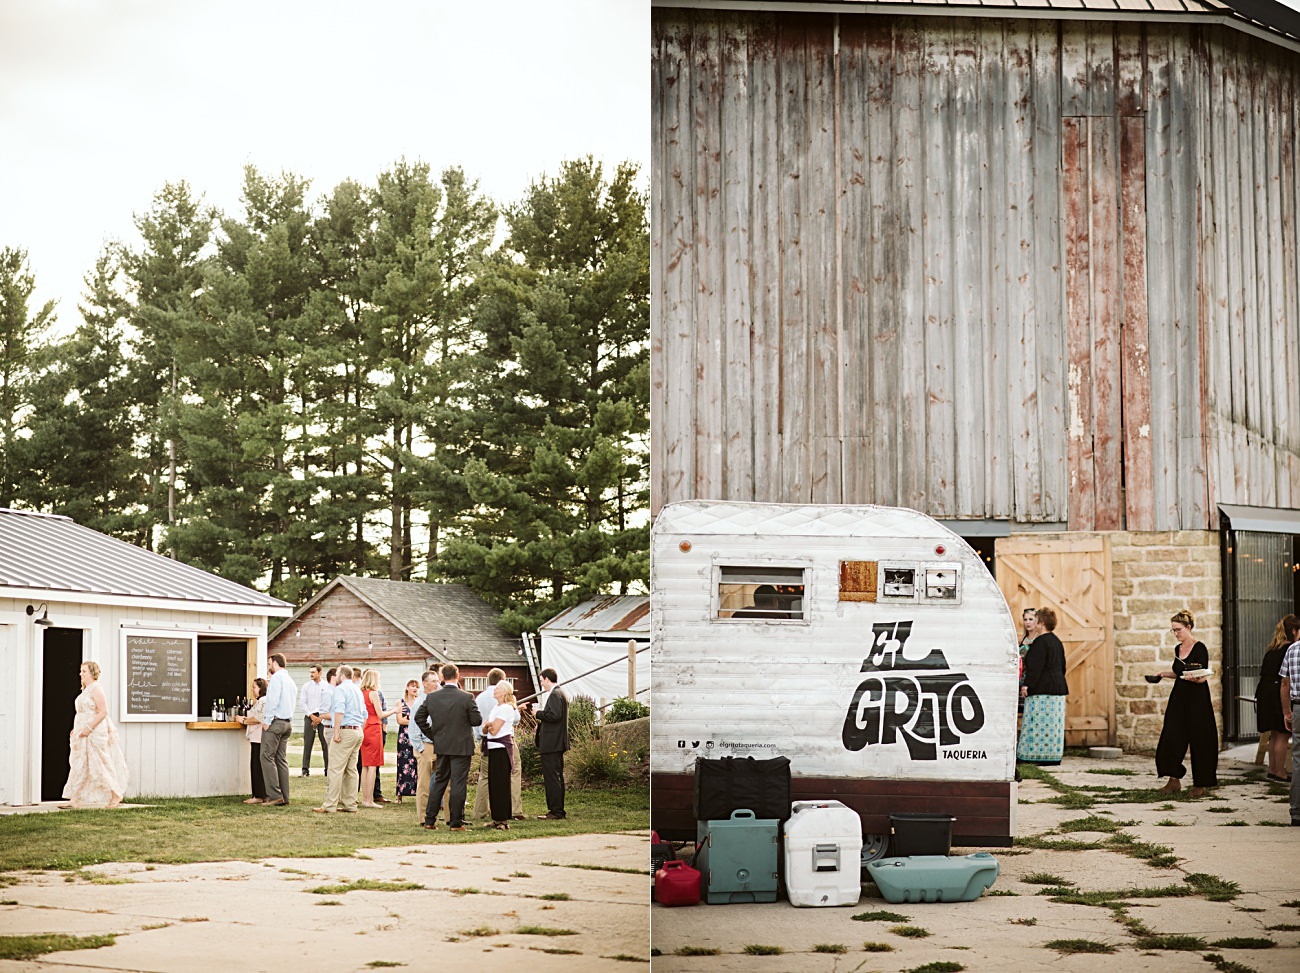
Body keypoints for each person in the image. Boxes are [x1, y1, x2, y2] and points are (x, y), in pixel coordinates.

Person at [1154, 609, 1218, 797]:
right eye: (1173, 630)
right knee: (1171, 737)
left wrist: (1197, 678)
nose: (1175, 634)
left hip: (1198, 699)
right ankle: (1173, 780)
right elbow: (1180, 673)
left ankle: (1200, 785)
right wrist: (1164, 674)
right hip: (1179, 698)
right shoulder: (1178, 649)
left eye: (1178, 630)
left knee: (1201, 740)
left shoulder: (1200, 648)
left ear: (1188, 627)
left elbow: (1203, 675)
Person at [414, 663, 482, 831]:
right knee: (458, 783)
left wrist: (434, 735)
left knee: (439, 781)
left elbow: (419, 718)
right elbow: (476, 720)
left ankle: (430, 820)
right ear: (457, 676)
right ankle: (455, 822)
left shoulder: (432, 698)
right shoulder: (466, 697)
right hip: (461, 746)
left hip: (442, 745)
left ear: (442, 677)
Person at [61, 661, 129, 808]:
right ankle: (74, 799)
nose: (81, 674)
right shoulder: (86, 690)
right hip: (82, 732)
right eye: (81, 671)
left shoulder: (96, 689)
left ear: (92, 673)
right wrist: (76, 728)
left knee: (100, 762)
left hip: (94, 732)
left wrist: (89, 728)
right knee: (80, 764)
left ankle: (116, 794)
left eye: (84, 671)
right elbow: (82, 713)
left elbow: (103, 711)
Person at [1017, 608, 1069, 766]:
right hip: (1058, 688)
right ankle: (1052, 756)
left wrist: (1027, 685)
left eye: (1036, 620)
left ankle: (1032, 755)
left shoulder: (1040, 643)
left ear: (1042, 623)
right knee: (1053, 726)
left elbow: (1035, 668)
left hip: (1042, 690)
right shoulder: (1056, 641)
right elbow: (1062, 666)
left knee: (1036, 723)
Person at [313, 665, 365, 814]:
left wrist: (336, 732)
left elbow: (339, 711)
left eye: (336, 674)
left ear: (342, 676)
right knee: (351, 769)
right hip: (357, 730)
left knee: (335, 768)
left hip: (345, 730)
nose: (335, 677)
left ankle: (330, 805)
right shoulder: (357, 689)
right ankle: (350, 804)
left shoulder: (340, 690)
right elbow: (364, 713)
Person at [473, 668, 523, 823]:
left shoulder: (481, 698)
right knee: (508, 775)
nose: (495, 690)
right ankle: (513, 810)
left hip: (492, 743)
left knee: (487, 778)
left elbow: (484, 726)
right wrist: (489, 725)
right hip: (497, 744)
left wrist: (485, 729)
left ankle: (482, 812)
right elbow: (515, 720)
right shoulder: (501, 706)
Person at [1258, 616, 1298, 783]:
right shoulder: (1290, 649)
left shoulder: (1273, 647)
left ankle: (1272, 770)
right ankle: (1280, 772)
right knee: (1282, 734)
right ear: (1294, 631)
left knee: (1274, 734)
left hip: (1265, 691)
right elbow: (1286, 680)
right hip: (1277, 693)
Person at [409, 670, 448, 824]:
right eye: (433, 681)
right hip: (426, 746)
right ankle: (423, 817)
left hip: (441, 745)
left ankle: (450, 816)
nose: (436, 684)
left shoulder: (439, 700)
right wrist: (420, 748)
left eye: (437, 680)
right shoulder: (419, 702)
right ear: (425, 683)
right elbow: (413, 728)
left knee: (446, 782)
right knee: (424, 784)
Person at [360, 669, 401, 809]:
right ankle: (369, 800)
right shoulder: (373, 693)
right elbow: (380, 714)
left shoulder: (361, 693)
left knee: (365, 765)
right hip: (374, 729)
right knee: (372, 765)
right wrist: (394, 710)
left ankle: (365, 798)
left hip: (364, 728)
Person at [259, 653, 296, 806]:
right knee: (281, 759)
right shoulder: (290, 681)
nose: (269, 666)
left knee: (266, 756)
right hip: (287, 723)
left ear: (275, 663)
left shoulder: (276, 678)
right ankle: (284, 796)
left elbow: (272, 701)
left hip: (275, 722)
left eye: (269, 663)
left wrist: (267, 721)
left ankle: (275, 795)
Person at [535, 667, 571, 820]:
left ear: (547, 679)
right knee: (556, 777)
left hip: (552, 743)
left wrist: (538, 714)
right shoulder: (559, 693)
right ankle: (557, 810)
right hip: (556, 743)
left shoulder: (555, 694)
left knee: (552, 778)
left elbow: (555, 715)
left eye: (542, 680)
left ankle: (556, 811)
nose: (541, 684)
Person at [484, 679, 519, 830]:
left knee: (501, 784)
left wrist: (488, 725)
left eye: (497, 688)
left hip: (501, 749)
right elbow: (485, 729)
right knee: (493, 784)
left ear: (504, 692)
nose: (494, 690)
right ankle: (496, 817)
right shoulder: (496, 708)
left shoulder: (506, 708)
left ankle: (503, 819)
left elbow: (494, 730)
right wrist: (488, 725)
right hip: (492, 748)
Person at [1280, 633, 1300, 824]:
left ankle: (1296, 811)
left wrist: (1287, 712)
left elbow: (1285, 684)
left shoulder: (1292, 649)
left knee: (1298, 759)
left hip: (1298, 707)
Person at [238, 677, 268, 804]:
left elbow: (258, 718)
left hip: (259, 737)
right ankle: (259, 794)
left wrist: (243, 721)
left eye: (254, 687)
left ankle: (259, 795)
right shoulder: (260, 702)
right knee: (256, 765)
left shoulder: (263, 701)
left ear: (261, 688)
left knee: (256, 766)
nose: (252, 690)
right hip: (256, 737)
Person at [298, 664, 328, 777]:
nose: (311, 674)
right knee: (308, 743)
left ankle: (328, 769)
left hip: (323, 716)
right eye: (310, 672)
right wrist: (311, 716)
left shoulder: (326, 686)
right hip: (309, 716)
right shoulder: (306, 686)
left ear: (320, 672)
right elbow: (302, 702)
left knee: (325, 743)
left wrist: (320, 717)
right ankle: (305, 769)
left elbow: (328, 702)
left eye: (313, 672)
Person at [394, 679, 420, 803]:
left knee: (417, 763)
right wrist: (414, 721)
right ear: (407, 688)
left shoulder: (420, 702)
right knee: (403, 762)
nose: (414, 689)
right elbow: (400, 720)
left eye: (417, 687)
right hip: (404, 737)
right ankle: (400, 793)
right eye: (412, 686)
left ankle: (418, 791)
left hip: (417, 735)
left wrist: (409, 720)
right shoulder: (400, 702)